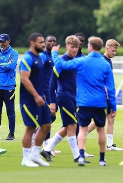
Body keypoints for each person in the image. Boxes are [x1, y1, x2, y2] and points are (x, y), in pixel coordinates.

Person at [51, 36, 116, 166]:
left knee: (82, 129)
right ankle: (102, 159)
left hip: (84, 102)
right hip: (100, 102)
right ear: (101, 47)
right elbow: (111, 87)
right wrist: (112, 106)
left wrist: (54, 53)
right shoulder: (105, 64)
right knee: (100, 130)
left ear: (90, 47)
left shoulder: (82, 61)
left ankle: (80, 156)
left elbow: (61, 64)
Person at [41, 35, 89, 163]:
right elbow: (52, 85)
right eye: (72, 47)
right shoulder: (61, 63)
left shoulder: (74, 61)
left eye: (77, 47)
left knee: (68, 126)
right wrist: (52, 102)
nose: (75, 49)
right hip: (64, 97)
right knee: (72, 125)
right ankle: (77, 156)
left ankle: (47, 148)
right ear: (67, 46)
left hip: (73, 98)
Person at [20, 33, 51, 167]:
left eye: (43, 42)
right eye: (40, 42)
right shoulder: (27, 58)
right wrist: (36, 95)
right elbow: (24, 79)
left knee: (46, 125)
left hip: (40, 98)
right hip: (29, 99)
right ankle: (25, 158)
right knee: (30, 128)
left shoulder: (40, 58)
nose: (43, 44)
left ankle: (35, 154)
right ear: (32, 43)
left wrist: (42, 95)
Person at [87, 39, 122, 151]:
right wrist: (107, 94)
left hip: (104, 96)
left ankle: (110, 145)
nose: (114, 53)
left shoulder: (108, 61)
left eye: (116, 51)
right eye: (113, 50)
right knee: (99, 120)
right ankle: (81, 136)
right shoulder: (103, 61)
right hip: (102, 96)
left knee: (109, 118)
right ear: (106, 48)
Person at [0, 33, 18, 140]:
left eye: (4, 41)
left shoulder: (14, 53)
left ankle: (11, 134)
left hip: (9, 86)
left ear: (8, 41)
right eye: (0, 41)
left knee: (10, 111)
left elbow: (11, 66)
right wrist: (4, 65)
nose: (2, 43)